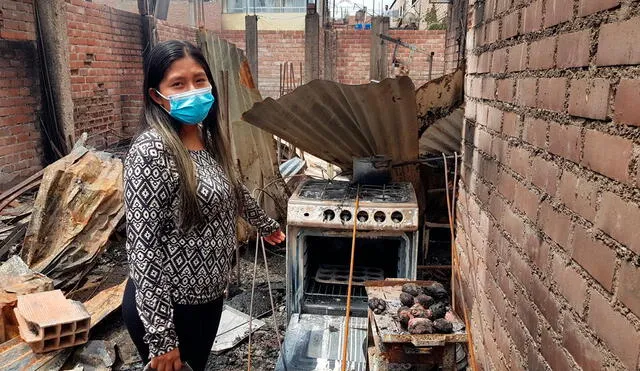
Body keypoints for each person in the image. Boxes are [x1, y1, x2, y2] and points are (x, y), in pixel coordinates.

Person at [122, 40, 286, 371]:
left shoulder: (207, 140)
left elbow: (234, 190)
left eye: (199, 80)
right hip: (173, 308)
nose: (193, 91)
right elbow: (143, 249)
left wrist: (266, 226)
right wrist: (162, 337)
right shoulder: (151, 152)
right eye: (178, 84)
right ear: (157, 95)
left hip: (208, 299)